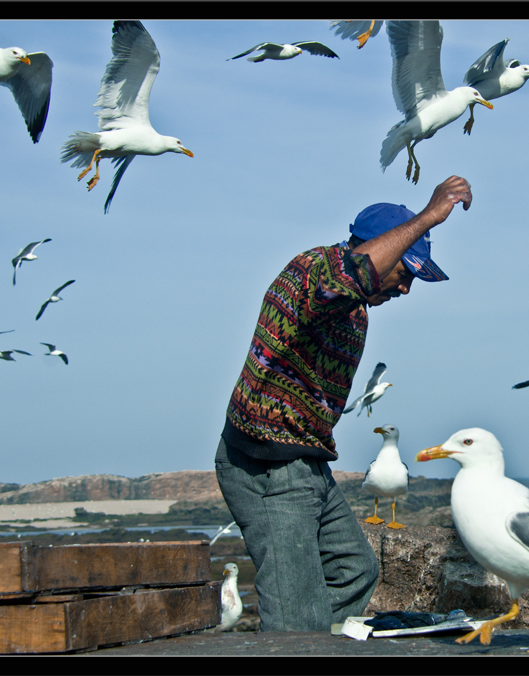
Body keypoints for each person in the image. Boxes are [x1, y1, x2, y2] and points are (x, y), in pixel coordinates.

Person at [214, 175, 473, 632]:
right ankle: (295, 637)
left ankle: (300, 633)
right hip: (267, 464)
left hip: (307, 463)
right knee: (297, 617)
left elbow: (356, 283)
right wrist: (430, 216)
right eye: (406, 271)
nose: (406, 288)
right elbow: (351, 274)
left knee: (355, 571)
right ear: (377, 247)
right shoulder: (315, 271)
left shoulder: (354, 310)